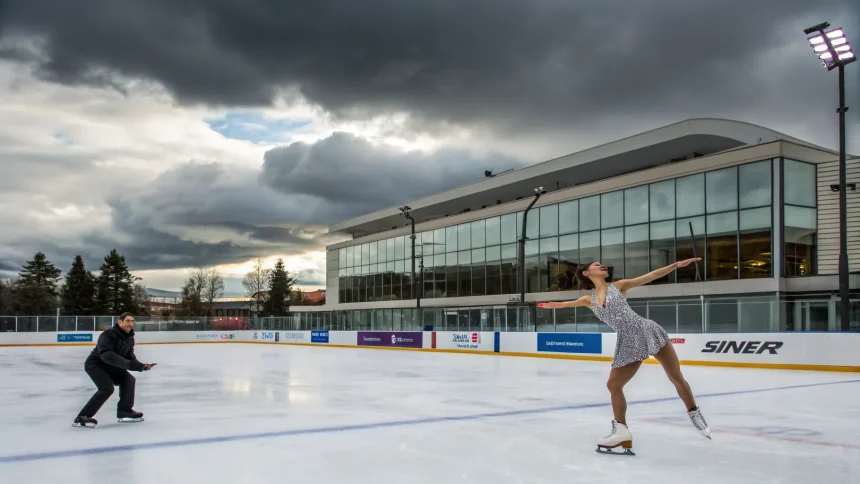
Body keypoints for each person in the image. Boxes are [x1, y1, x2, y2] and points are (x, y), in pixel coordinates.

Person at [538, 259, 710, 455]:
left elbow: (651, 276)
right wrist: (553, 305)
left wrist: (674, 266)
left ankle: (694, 413)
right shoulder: (588, 300)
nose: (601, 265)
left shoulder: (619, 286)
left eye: (602, 264)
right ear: (586, 273)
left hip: (647, 329)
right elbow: (567, 304)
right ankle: (621, 431)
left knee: (676, 377)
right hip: (628, 340)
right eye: (596, 265)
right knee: (613, 385)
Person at [73, 312, 156, 428]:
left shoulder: (129, 338)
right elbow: (106, 355)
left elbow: (130, 357)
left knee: (129, 380)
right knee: (106, 388)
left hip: (113, 367)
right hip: (96, 365)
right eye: (128, 321)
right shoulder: (108, 335)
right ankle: (82, 416)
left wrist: (141, 366)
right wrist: (129, 365)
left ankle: (125, 411)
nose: (131, 324)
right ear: (120, 322)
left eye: (132, 321)